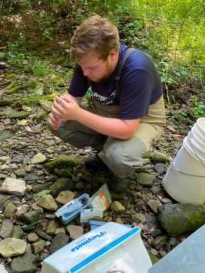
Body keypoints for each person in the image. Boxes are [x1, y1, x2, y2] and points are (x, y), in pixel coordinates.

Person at [48, 14, 166, 193]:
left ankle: (119, 168)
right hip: (105, 109)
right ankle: (105, 153)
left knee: (120, 156)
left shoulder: (137, 69)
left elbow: (127, 129)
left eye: (91, 68)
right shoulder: (87, 61)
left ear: (112, 54)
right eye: (82, 67)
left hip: (142, 118)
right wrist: (61, 110)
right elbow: (74, 95)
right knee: (59, 125)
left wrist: (78, 113)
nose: (85, 73)